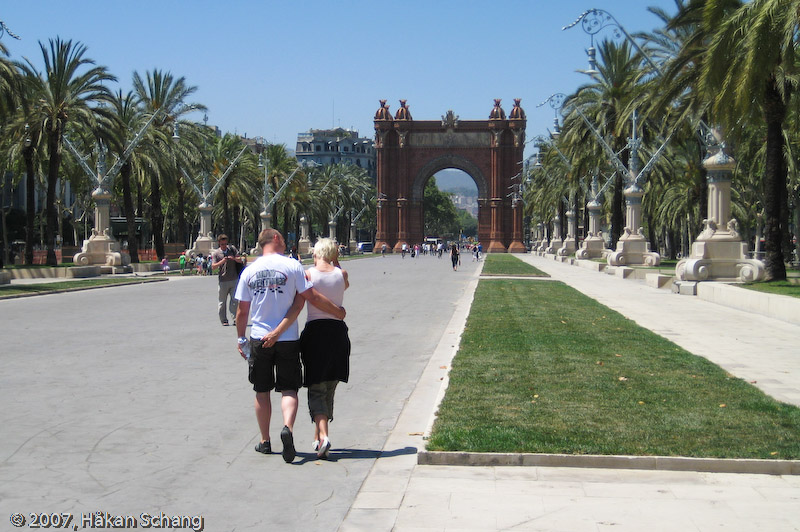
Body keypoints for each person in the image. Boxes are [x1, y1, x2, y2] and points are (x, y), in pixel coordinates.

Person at [234, 228, 346, 463]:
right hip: (287, 339)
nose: (285, 242)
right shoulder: (293, 266)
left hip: (259, 338)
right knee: (289, 389)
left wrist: (241, 338)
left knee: (261, 390)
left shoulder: (249, 270)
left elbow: (242, 311)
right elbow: (308, 298)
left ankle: (265, 441)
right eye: (283, 239)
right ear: (274, 239)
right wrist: (337, 311)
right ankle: (288, 428)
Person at [299, 238, 350, 459]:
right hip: (338, 333)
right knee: (329, 386)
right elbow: (342, 282)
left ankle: (325, 436)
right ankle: (319, 436)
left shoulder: (309, 275)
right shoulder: (342, 274)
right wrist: (335, 260)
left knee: (316, 387)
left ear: (318, 252)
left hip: (316, 333)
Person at [211, 234, 242, 326]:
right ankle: (224, 320)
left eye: (225, 243)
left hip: (234, 279)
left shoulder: (232, 250)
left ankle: (235, 318)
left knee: (235, 300)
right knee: (222, 302)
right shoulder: (216, 253)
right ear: (219, 243)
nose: (224, 246)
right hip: (223, 280)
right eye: (222, 244)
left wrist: (233, 258)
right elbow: (213, 267)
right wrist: (222, 261)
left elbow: (240, 260)